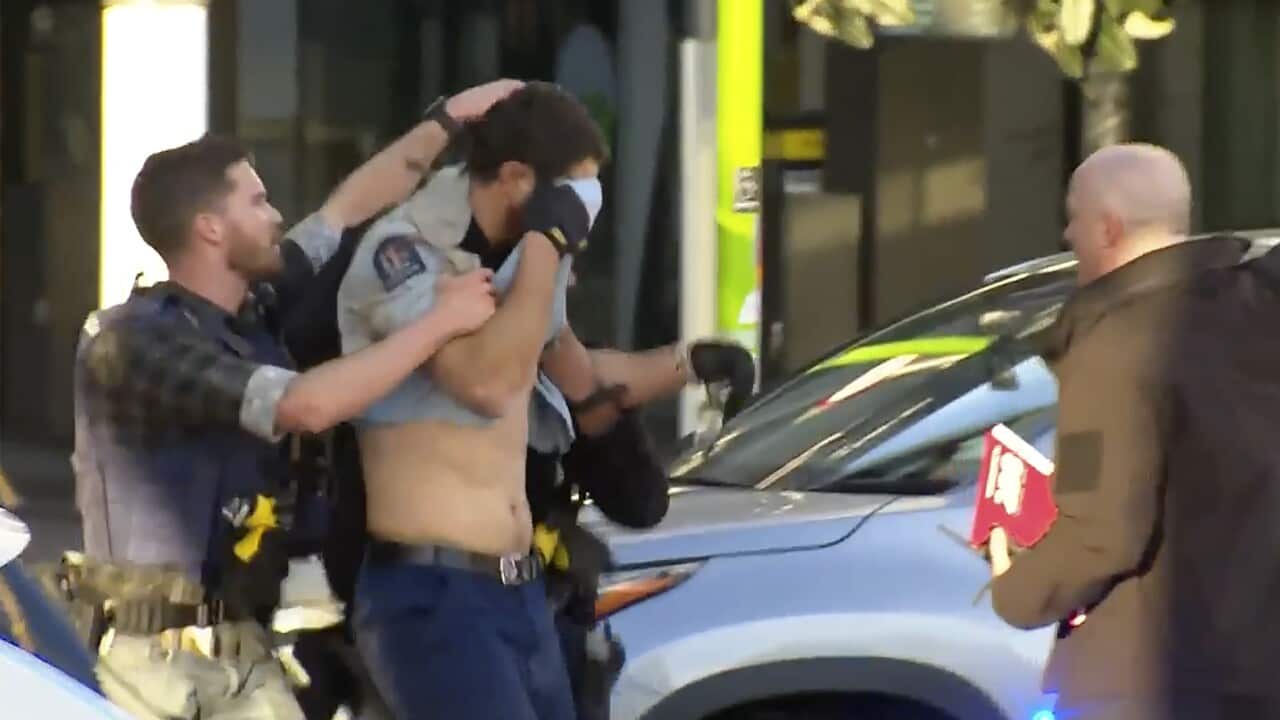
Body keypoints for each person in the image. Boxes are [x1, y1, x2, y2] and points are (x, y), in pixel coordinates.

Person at [65, 79, 520, 720]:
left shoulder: (252, 311)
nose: (277, 215)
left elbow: (344, 211)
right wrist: (441, 323)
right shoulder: (134, 342)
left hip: (242, 650)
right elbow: (303, 407)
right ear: (210, 228)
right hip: (152, 669)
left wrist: (447, 121)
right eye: (258, 200)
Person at [336, 81, 622, 720]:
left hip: (518, 593)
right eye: (573, 193)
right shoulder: (402, 253)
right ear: (519, 179)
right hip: (435, 595)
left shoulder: (523, 262)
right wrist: (547, 245)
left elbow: (567, 365)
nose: (583, 216)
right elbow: (486, 383)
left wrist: (684, 364)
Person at [987, 143, 1280, 719]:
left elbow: (1103, 528)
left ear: (1108, 228)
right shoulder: (1258, 312)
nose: (1068, 235)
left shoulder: (1114, 347)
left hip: (1148, 678)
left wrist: (1015, 586)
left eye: (1073, 217)